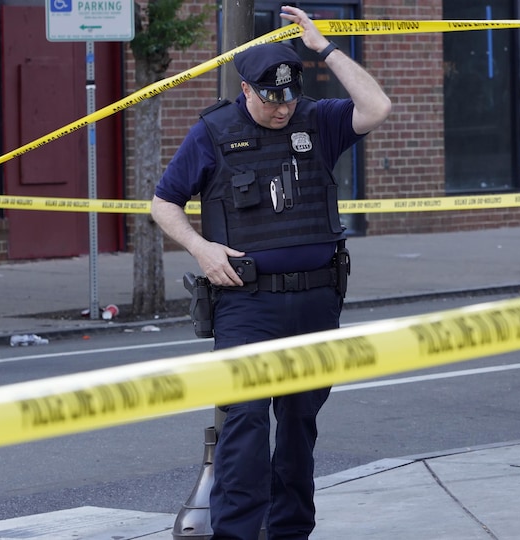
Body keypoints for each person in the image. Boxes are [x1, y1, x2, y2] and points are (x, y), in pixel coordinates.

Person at [151, 6, 390, 539]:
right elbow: (163, 203)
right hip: (246, 304)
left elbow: (376, 106)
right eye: (270, 98)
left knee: (300, 426)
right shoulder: (213, 132)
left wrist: (324, 48)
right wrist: (200, 248)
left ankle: (289, 532)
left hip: (315, 301)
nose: (282, 109)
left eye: (288, 97)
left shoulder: (317, 118)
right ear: (246, 89)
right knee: (246, 424)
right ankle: (237, 533)